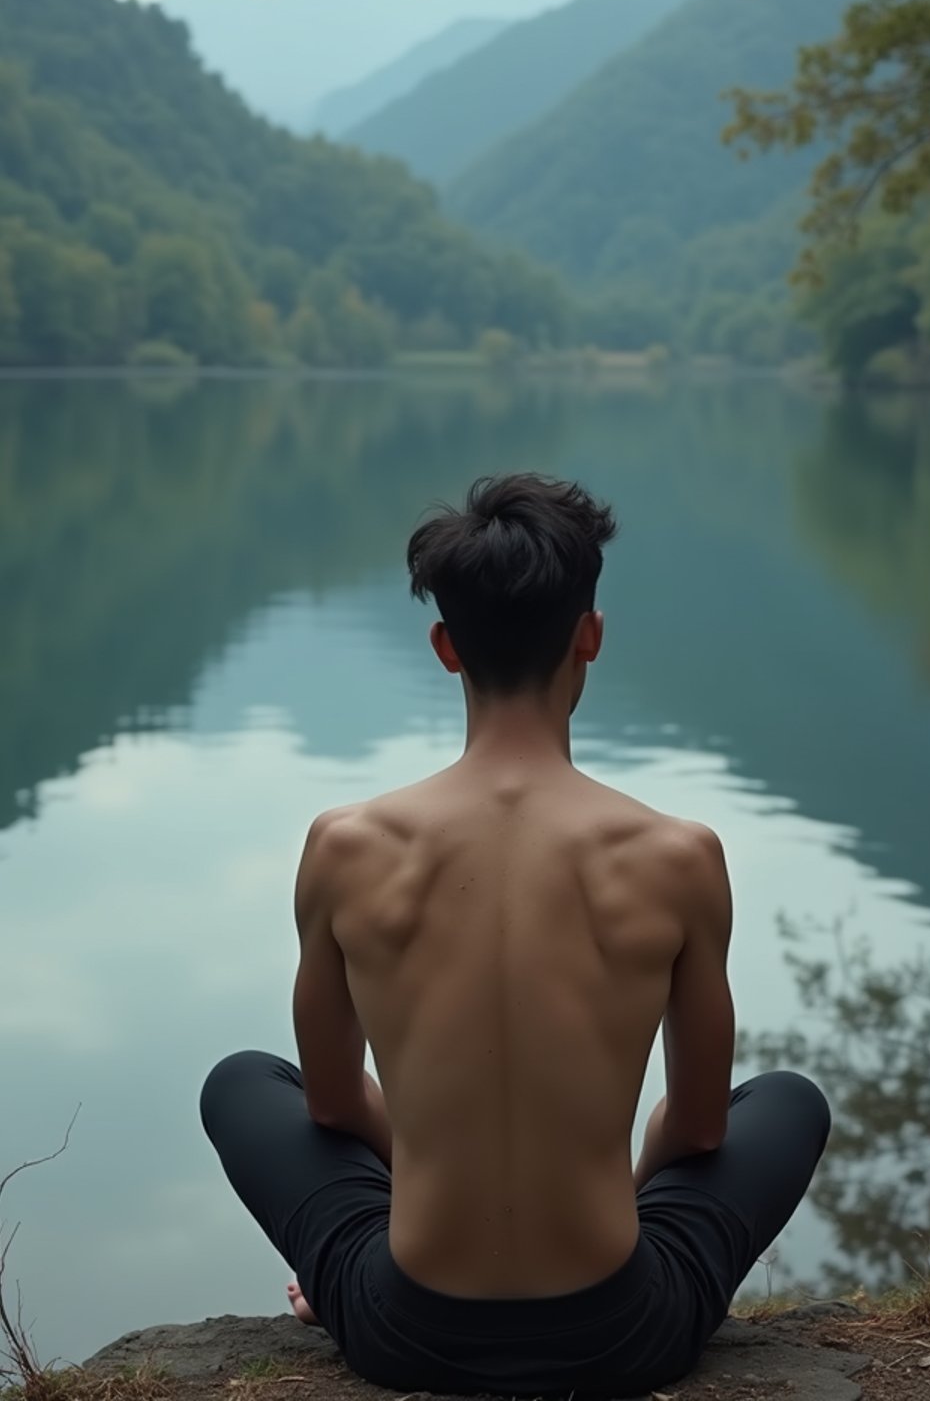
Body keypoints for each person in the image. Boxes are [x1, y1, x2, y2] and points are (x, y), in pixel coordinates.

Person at [201, 473, 829, 1399]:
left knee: (243, 1082)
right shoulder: (677, 856)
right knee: (786, 1099)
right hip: (624, 1332)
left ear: (446, 647)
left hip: (402, 1327)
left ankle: (352, 1278)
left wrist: (423, 1164)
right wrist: (609, 1188)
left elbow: (333, 1109)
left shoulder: (346, 847)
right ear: (591, 635)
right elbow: (697, 1128)